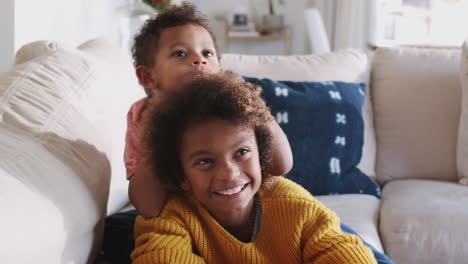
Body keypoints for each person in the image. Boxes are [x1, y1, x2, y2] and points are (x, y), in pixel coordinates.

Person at [100, 2, 292, 263]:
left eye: (207, 53)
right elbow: (149, 205)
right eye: (180, 53)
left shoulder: (235, 108)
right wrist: (163, 126)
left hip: (243, 206)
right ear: (148, 77)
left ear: (220, 71)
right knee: (116, 232)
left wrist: (253, 106)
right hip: (184, 218)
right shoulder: (144, 117)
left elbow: (282, 165)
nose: (199, 59)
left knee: (306, 218)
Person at [131, 73, 377, 263]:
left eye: (242, 153)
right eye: (204, 161)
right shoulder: (172, 216)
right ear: (181, 175)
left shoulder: (296, 207)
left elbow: (340, 250)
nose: (229, 173)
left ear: (262, 156)